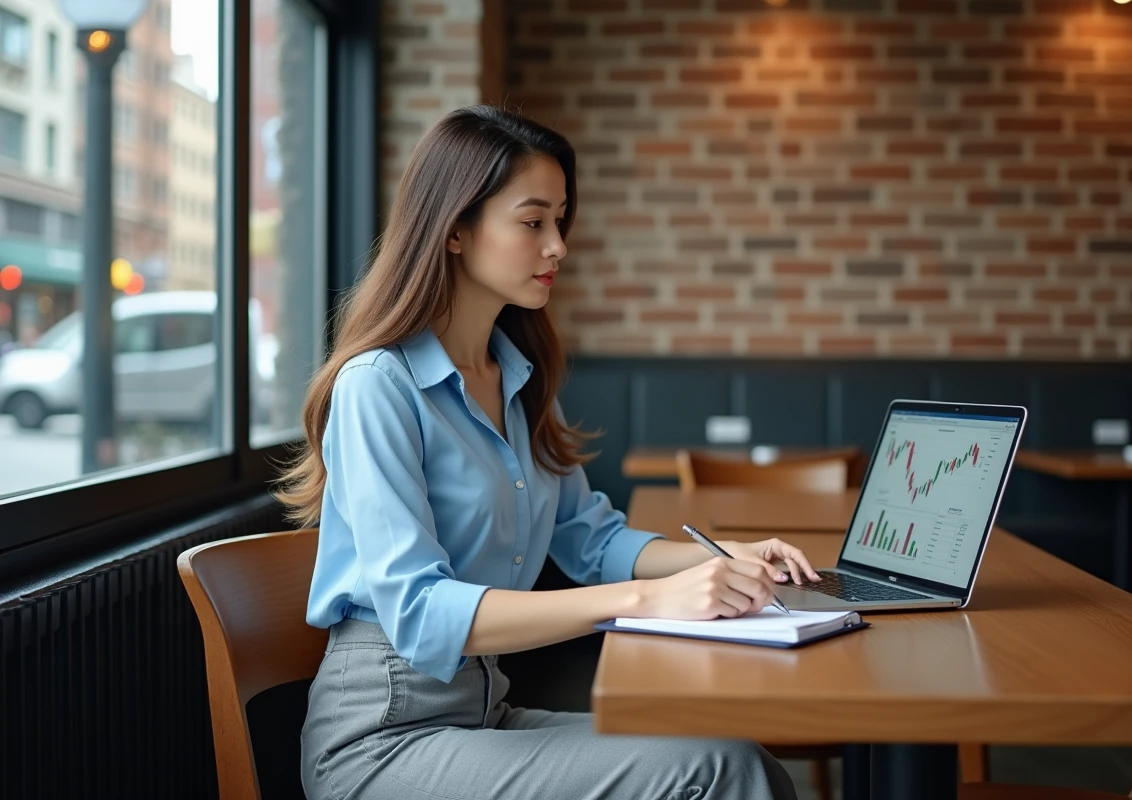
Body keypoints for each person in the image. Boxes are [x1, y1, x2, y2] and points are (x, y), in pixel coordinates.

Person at [275, 105, 821, 800]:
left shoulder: (520, 380)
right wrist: (651, 599)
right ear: (453, 230)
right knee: (715, 772)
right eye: (533, 223)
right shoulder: (376, 386)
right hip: (383, 740)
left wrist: (721, 558)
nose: (558, 246)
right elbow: (419, 611)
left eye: (561, 221)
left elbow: (592, 539)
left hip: (480, 714)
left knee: (742, 759)